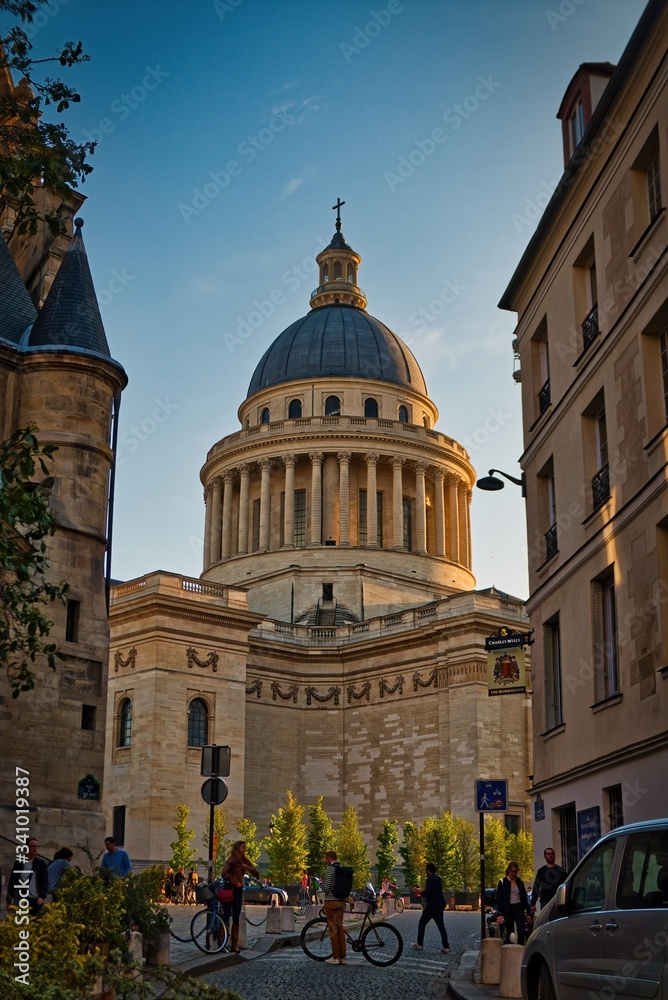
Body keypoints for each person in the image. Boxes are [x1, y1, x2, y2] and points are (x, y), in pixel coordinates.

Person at [221, 840, 259, 954]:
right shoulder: (231, 859)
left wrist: (248, 868)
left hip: (238, 890)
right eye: (243, 847)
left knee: (236, 916)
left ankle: (234, 945)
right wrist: (234, 881)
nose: (245, 849)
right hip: (229, 888)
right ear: (238, 848)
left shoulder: (244, 860)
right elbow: (224, 873)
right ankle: (222, 944)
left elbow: (257, 874)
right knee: (226, 916)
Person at [411, 862, 450, 953]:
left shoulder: (430, 879)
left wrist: (420, 892)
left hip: (432, 906)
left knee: (422, 923)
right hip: (440, 905)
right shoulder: (438, 878)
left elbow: (429, 892)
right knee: (441, 926)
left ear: (428, 870)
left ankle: (419, 944)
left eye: (426, 869)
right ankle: (446, 947)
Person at [6, 837, 49, 914]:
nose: (35, 848)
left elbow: (44, 881)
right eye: (33, 846)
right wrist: (9, 900)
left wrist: (42, 896)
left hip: (35, 899)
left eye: (37, 846)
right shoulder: (19, 863)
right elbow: (12, 881)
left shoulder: (40, 863)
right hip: (21, 898)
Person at [496, 862, 532, 945]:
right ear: (508, 870)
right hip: (508, 909)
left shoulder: (519, 882)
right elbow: (500, 899)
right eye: (512, 872)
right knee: (510, 932)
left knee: (521, 931)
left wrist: (528, 913)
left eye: (516, 872)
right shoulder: (502, 882)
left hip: (518, 908)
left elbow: (524, 898)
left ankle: (520, 947)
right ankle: (510, 949)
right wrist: (500, 913)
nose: (514, 874)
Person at [323, 850, 347, 965]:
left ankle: (335, 957)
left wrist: (320, 886)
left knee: (333, 928)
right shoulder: (342, 868)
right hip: (341, 901)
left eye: (325, 858)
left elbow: (327, 887)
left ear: (329, 858)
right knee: (340, 928)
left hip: (331, 902)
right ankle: (343, 957)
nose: (325, 860)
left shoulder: (330, 869)